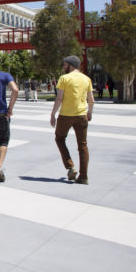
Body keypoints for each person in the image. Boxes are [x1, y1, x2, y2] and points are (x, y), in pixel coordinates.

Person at [50, 55, 94, 185]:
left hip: (66, 115)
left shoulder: (64, 78)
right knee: (83, 145)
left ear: (71, 65)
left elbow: (59, 98)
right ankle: (84, 176)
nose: (64, 67)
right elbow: (91, 99)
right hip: (81, 115)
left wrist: (53, 114)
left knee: (59, 138)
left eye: (65, 64)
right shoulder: (87, 79)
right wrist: (89, 113)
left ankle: (70, 166)